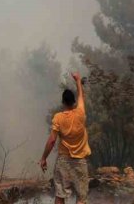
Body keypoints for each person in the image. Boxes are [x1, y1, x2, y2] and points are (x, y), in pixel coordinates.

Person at [39, 71, 90, 204]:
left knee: (60, 195)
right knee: (81, 197)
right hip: (80, 161)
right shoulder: (80, 113)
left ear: (63, 102)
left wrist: (44, 158)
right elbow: (81, 97)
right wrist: (78, 80)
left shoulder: (58, 118)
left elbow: (51, 141)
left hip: (64, 161)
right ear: (73, 102)